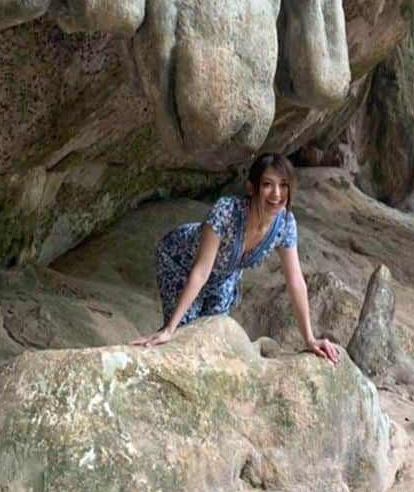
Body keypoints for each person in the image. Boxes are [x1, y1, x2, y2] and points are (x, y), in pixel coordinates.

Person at [130, 152, 340, 363]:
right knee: (184, 337)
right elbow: (201, 271)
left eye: (284, 184)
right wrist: (170, 329)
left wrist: (310, 339)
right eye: (267, 184)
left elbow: (295, 281)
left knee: (213, 342)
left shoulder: (285, 223)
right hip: (181, 263)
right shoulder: (227, 212)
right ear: (251, 187)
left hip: (224, 276)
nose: (277, 193)